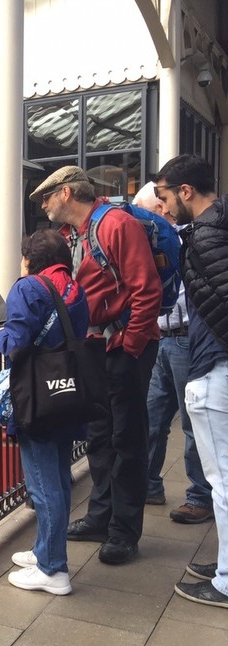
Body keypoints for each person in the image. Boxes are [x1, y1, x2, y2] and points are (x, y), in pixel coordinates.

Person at [29, 166, 162, 565]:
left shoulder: (117, 225)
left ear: (66, 192)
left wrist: (131, 345)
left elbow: (147, 290)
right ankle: (102, 518)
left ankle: (124, 531)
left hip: (123, 348)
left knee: (127, 438)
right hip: (99, 347)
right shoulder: (79, 233)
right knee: (102, 436)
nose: (43, 204)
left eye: (47, 196)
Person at [0, 229, 90, 595]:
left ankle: (53, 570)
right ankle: (44, 551)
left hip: (37, 396)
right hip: (67, 393)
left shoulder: (28, 287)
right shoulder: (74, 287)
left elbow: (14, 343)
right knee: (60, 478)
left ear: (31, 259)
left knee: (42, 482)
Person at [154, 154, 228, 608]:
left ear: (185, 192)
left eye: (164, 198)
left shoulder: (206, 235)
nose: (163, 209)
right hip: (215, 363)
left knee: (223, 481)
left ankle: (227, 580)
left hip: (214, 367)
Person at [131, 183, 214, 522]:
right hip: (160, 337)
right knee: (151, 417)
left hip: (182, 338)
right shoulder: (152, 242)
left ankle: (200, 496)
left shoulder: (183, 239)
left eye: (148, 211)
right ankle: (149, 485)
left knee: (193, 421)